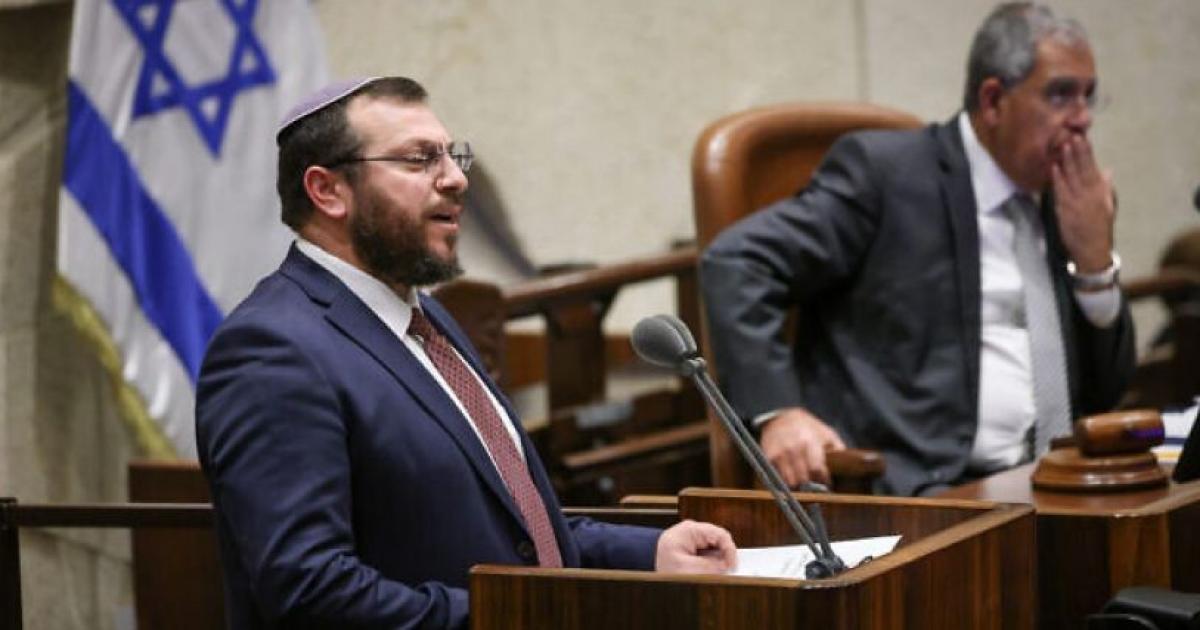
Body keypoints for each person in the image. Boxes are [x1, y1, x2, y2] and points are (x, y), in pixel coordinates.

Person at [196, 76, 736, 629]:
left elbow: (514, 530)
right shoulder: (273, 351)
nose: (455, 178)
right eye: (419, 159)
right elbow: (311, 593)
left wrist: (649, 553)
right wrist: (524, 615)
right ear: (328, 190)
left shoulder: (427, 320)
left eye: (452, 155)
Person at [699, 3, 1135, 497]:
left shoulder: (1070, 198)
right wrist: (779, 413)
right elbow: (737, 263)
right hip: (926, 493)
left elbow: (1105, 394)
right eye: (1060, 95)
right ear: (993, 100)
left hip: (1061, 482)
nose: (1082, 120)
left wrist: (1095, 266)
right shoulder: (888, 176)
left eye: (1088, 97)